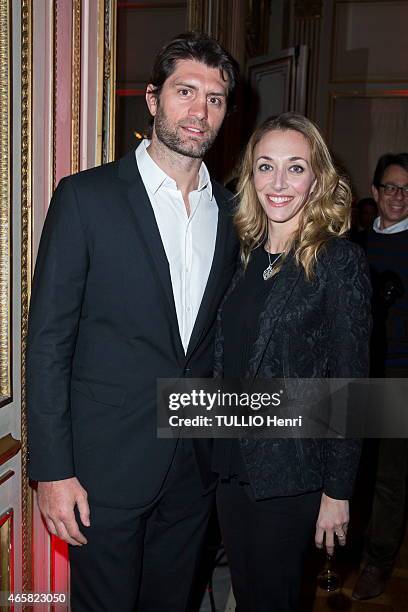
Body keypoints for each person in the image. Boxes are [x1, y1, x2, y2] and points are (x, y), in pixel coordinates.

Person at [26, 32, 239, 612]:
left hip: (193, 466)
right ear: (152, 98)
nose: (199, 111)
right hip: (102, 471)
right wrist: (52, 470)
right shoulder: (85, 198)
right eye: (186, 92)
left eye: (215, 99)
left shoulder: (231, 213)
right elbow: (47, 342)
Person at [212, 113, 372, 611]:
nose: (278, 183)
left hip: (291, 476)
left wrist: (337, 492)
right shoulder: (243, 255)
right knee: (246, 593)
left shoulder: (337, 261)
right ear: (250, 174)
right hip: (229, 469)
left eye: (295, 168)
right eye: (265, 166)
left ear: (317, 178)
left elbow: (352, 386)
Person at [352, 153, 408, 601]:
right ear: (375, 192)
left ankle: (378, 561)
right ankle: (345, 551)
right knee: (349, 471)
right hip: (353, 376)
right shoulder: (354, 245)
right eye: (390, 187)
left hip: (398, 377)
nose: (398, 196)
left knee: (389, 478)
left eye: (406, 190)